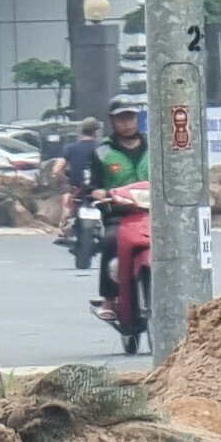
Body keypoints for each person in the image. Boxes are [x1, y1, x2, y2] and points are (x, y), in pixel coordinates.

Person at [88, 98, 150, 316]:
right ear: (112, 121)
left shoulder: (155, 145)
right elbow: (92, 183)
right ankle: (108, 299)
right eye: (121, 119)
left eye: (130, 117)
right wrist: (96, 192)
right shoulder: (102, 151)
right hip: (119, 215)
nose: (127, 123)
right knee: (110, 242)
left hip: (153, 214)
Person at [54, 116, 103, 245]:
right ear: (95, 132)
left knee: (66, 205)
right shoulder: (102, 147)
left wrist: (65, 181)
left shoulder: (70, 148)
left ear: (81, 131)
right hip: (98, 190)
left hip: (77, 191)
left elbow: (57, 169)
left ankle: (64, 231)